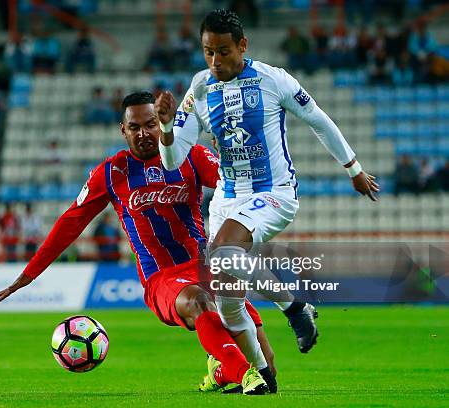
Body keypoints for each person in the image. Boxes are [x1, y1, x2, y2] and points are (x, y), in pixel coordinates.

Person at [0, 92, 277, 395]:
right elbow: (70, 223)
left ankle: (222, 371)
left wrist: (232, 160)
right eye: (135, 127)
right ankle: (245, 375)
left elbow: (235, 185)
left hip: (207, 267)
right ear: (123, 130)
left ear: (162, 123)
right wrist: (28, 275)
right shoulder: (112, 172)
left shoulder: (191, 155)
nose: (144, 134)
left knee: (270, 368)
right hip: (163, 277)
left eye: (150, 124)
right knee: (198, 302)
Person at [155, 9, 379, 365]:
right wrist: (166, 129)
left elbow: (318, 120)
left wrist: (353, 168)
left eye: (224, 51)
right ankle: (263, 373)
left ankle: (292, 306)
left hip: (272, 193)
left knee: (225, 250)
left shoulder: (274, 80)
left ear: (243, 45)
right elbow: (171, 160)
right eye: (208, 51)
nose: (215, 60)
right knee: (227, 294)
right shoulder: (199, 87)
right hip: (227, 199)